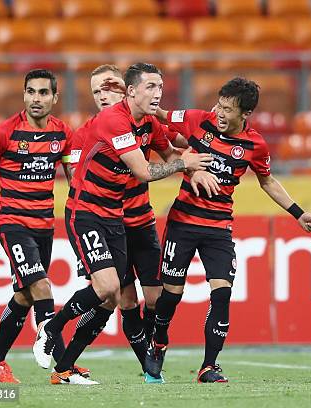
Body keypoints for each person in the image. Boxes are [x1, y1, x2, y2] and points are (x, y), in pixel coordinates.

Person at [32, 63, 216, 385]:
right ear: (131, 91)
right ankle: (54, 329)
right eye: (151, 87)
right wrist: (182, 164)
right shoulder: (111, 123)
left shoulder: (146, 122)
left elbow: (176, 147)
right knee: (110, 291)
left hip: (119, 216)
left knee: (124, 296)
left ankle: (69, 363)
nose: (158, 92)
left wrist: (192, 166)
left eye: (160, 87)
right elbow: (145, 171)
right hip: (86, 212)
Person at [143, 77, 311, 383]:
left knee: (222, 294)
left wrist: (298, 212)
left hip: (218, 229)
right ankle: (159, 341)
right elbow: (161, 114)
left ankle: (208, 367)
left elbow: (267, 180)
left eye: (228, 109)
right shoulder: (197, 120)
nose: (221, 113)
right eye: (220, 105)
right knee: (171, 296)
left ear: (246, 114)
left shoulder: (255, 145)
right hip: (183, 224)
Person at [0, 69, 89, 383]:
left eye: (43, 93)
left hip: (44, 226)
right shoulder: (4, 132)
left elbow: (75, 181)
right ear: (24, 94)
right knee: (43, 288)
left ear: (55, 97)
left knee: (26, 296)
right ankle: (63, 367)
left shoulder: (63, 135)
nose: (36, 99)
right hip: (12, 223)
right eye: (31, 92)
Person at [70, 64, 192, 377]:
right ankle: (148, 368)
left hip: (142, 219)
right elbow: (75, 179)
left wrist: (198, 154)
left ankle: (149, 352)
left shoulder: (145, 121)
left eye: (109, 86)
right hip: (109, 222)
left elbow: (175, 145)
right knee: (122, 299)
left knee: (156, 297)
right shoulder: (85, 133)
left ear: (125, 90)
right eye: (96, 90)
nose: (103, 95)